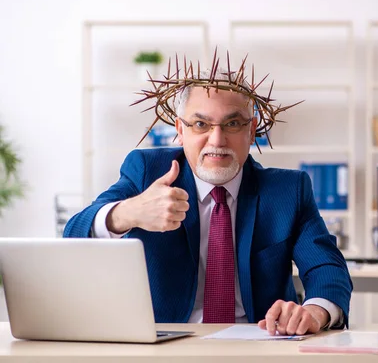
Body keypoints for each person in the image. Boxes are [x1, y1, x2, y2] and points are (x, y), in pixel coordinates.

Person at [63, 52, 353, 336]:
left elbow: (327, 267)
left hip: (260, 344)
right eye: (201, 124)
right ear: (180, 129)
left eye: (233, 124)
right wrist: (130, 212)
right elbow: (74, 232)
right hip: (162, 347)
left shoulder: (288, 191)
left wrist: (315, 312)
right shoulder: (147, 171)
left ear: (252, 131)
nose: (217, 140)